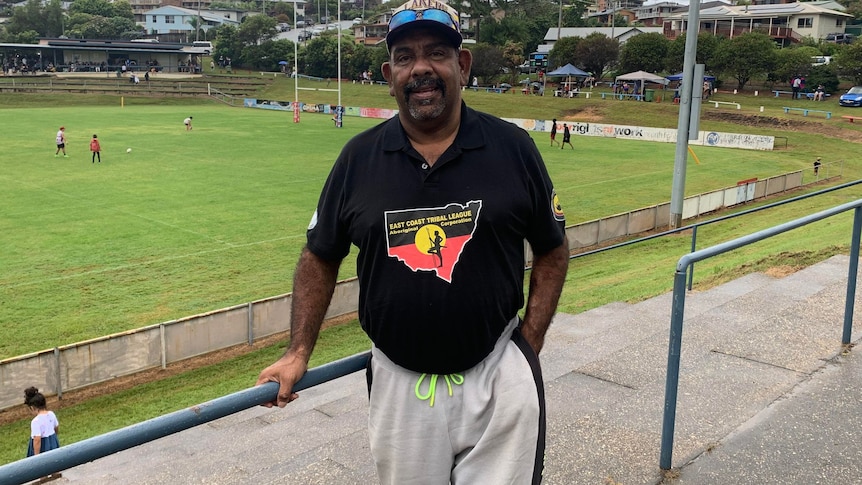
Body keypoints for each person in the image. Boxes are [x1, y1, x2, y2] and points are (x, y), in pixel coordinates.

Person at [256, 0, 569, 483]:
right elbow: (319, 256)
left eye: (436, 53)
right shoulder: (359, 158)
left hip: (496, 376)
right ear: (390, 73)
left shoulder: (513, 148)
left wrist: (529, 343)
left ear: (461, 65)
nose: (420, 68)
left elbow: (552, 247)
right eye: (405, 57)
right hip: (400, 385)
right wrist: (298, 352)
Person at [25, 387, 60, 458]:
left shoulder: (36, 421)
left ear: (32, 407)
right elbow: (56, 427)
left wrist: (36, 456)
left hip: (43, 447)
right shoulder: (51, 414)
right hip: (53, 443)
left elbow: (37, 439)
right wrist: (54, 437)